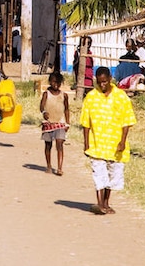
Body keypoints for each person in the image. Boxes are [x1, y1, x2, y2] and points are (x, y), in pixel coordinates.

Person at [80, 66, 136, 215]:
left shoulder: (121, 97)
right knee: (99, 174)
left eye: (105, 82)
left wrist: (123, 141)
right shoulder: (91, 97)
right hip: (97, 143)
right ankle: (99, 204)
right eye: (99, 82)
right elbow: (86, 123)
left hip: (115, 143)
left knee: (112, 175)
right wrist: (86, 143)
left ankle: (106, 202)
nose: (102, 85)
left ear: (110, 79)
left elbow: (127, 121)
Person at [40, 71, 70, 175]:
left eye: (58, 82)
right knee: (48, 145)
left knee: (60, 144)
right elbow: (41, 106)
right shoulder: (46, 94)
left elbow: (66, 109)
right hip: (48, 124)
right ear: (50, 82)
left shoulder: (64, 95)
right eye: (53, 82)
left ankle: (59, 168)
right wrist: (44, 112)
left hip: (60, 123)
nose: (55, 84)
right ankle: (48, 165)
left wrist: (67, 123)